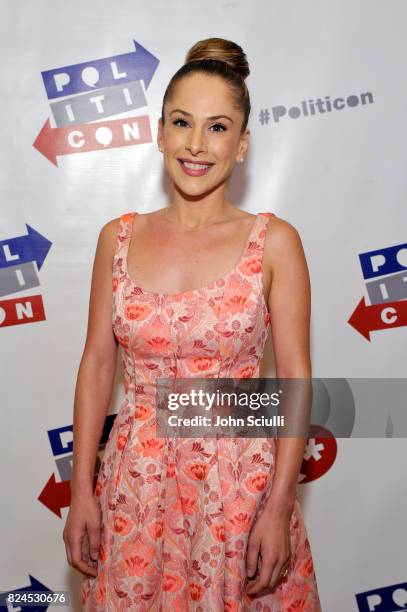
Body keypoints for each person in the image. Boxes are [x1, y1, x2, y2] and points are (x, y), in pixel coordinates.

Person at [63, 37, 322, 611]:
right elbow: (97, 366)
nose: (197, 144)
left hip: (238, 490)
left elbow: (294, 382)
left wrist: (279, 505)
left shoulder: (274, 243)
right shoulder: (118, 237)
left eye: (219, 127)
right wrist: (81, 490)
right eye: (183, 123)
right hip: (135, 484)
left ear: (243, 144)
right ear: (159, 133)